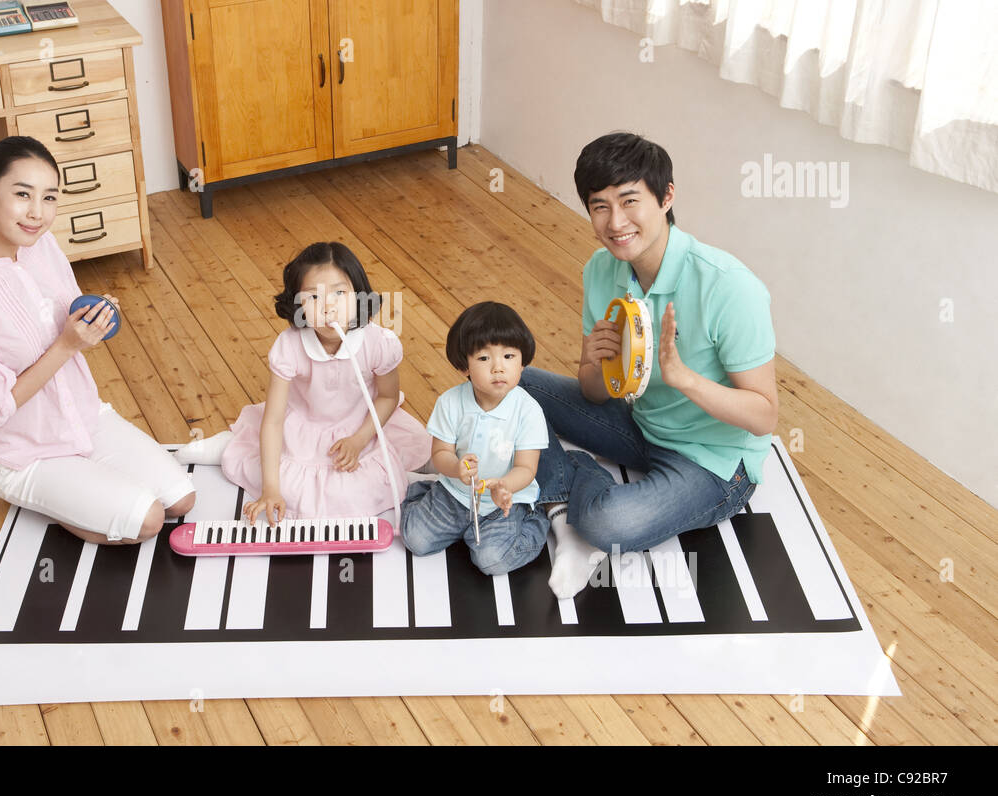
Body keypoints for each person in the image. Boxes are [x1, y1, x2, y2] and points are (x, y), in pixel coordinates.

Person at [521, 132, 778, 597]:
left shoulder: (729, 287)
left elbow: (764, 416)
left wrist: (684, 380)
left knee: (606, 522)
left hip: (711, 460)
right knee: (513, 384)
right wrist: (598, 364)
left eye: (629, 201)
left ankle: (572, 491)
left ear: (666, 197)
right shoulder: (602, 269)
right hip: (640, 423)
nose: (615, 222)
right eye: (599, 206)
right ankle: (563, 505)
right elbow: (595, 391)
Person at [0, 136, 195, 544]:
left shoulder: (43, 245)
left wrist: (93, 318)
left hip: (84, 418)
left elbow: (67, 313)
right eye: (22, 194)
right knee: (149, 520)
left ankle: (86, 487)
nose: (37, 214)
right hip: (25, 453)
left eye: (49, 198)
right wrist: (68, 345)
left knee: (183, 499)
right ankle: (38, 495)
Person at [177, 241, 430, 525]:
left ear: (359, 295)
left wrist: (360, 440)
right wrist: (270, 488)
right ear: (297, 304)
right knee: (284, 484)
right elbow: (272, 421)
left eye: (339, 293)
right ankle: (227, 445)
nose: (328, 307)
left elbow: (387, 397)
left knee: (369, 482)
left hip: (360, 420)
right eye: (313, 297)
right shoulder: (289, 345)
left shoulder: (378, 342)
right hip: (303, 424)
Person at [399, 302, 551, 576]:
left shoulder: (528, 411)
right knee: (416, 540)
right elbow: (441, 453)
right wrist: (456, 468)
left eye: (508, 356)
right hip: (456, 492)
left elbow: (527, 468)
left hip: (505, 501)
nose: (498, 368)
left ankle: (535, 520)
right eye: (484, 358)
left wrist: (504, 486)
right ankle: (425, 495)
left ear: (522, 361)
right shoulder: (451, 402)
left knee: (492, 561)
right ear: (463, 367)